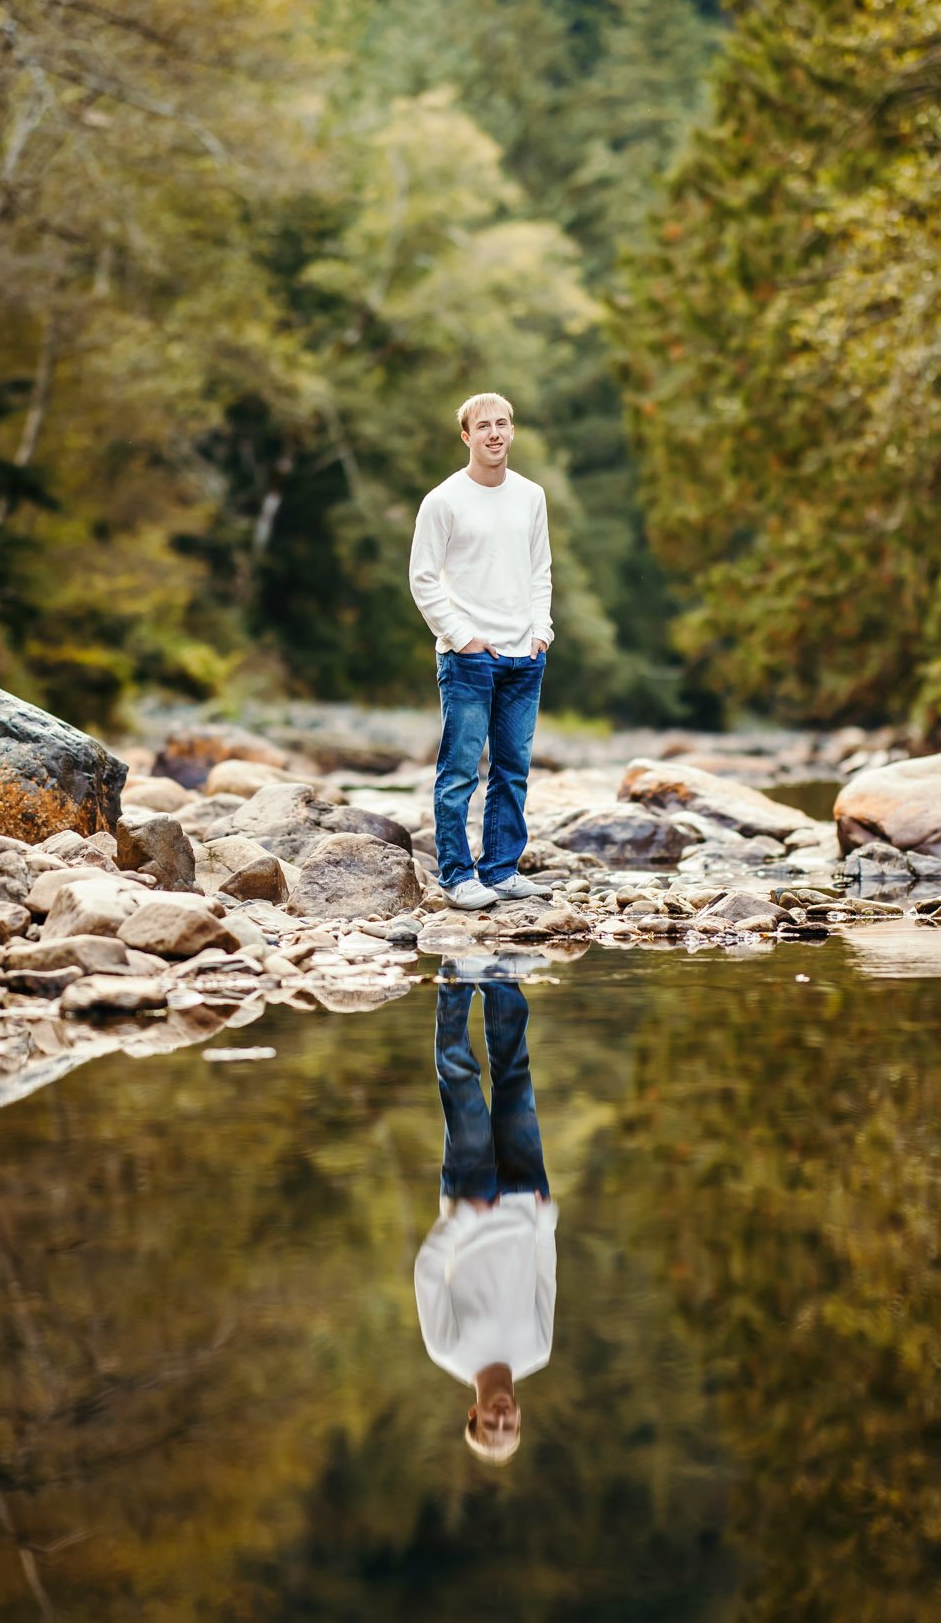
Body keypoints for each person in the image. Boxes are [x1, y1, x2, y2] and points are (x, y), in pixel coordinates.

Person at [408, 392, 557, 911]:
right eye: (483, 426)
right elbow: (422, 579)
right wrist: (461, 636)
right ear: (467, 437)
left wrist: (542, 632)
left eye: (503, 424)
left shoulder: (531, 495)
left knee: (512, 770)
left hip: (524, 657)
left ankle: (500, 870)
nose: (494, 433)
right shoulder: (444, 500)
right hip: (468, 657)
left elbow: (540, 569)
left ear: (512, 432)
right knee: (459, 774)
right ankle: (456, 874)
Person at [413, 977, 555, 1466]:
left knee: (460, 1080)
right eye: (508, 1426)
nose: (501, 1418)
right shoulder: (537, 1352)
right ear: (519, 1417)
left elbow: (427, 1271)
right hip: (524, 1198)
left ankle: (454, 977)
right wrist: (546, 1221)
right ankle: (500, 972)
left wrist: (463, 1221)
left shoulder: (448, 1353)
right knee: (515, 1074)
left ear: (471, 1414)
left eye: (490, 1425)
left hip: (470, 1199)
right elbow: (545, 1275)